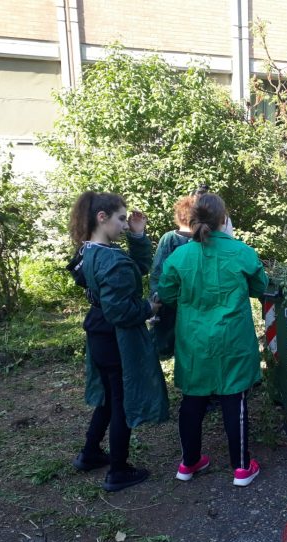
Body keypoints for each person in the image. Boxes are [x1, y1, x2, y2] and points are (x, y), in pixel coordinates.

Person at [157, 193, 267, 487]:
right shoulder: (242, 252)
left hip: (194, 342)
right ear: (224, 220)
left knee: (192, 400)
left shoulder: (179, 256)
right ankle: (242, 468)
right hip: (232, 340)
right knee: (235, 399)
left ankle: (189, 463)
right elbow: (260, 287)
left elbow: (166, 294)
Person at [67, 191, 169, 492]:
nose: (125, 225)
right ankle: (119, 469)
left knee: (111, 398)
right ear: (102, 218)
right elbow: (120, 310)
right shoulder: (111, 260)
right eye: (122, 219)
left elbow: (136, 269)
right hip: (115, 338)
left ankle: (89, 453)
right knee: (122, 401)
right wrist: (147, 309)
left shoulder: (86, 251)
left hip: (98, 331)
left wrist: (139, 237)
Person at [149, 195, 196, 358]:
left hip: (183, 299)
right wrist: (156, 296)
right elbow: (158, 271)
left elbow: (157, 270)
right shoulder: (171, 239)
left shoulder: (199, 239)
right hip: (173, 300)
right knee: (166, 339)